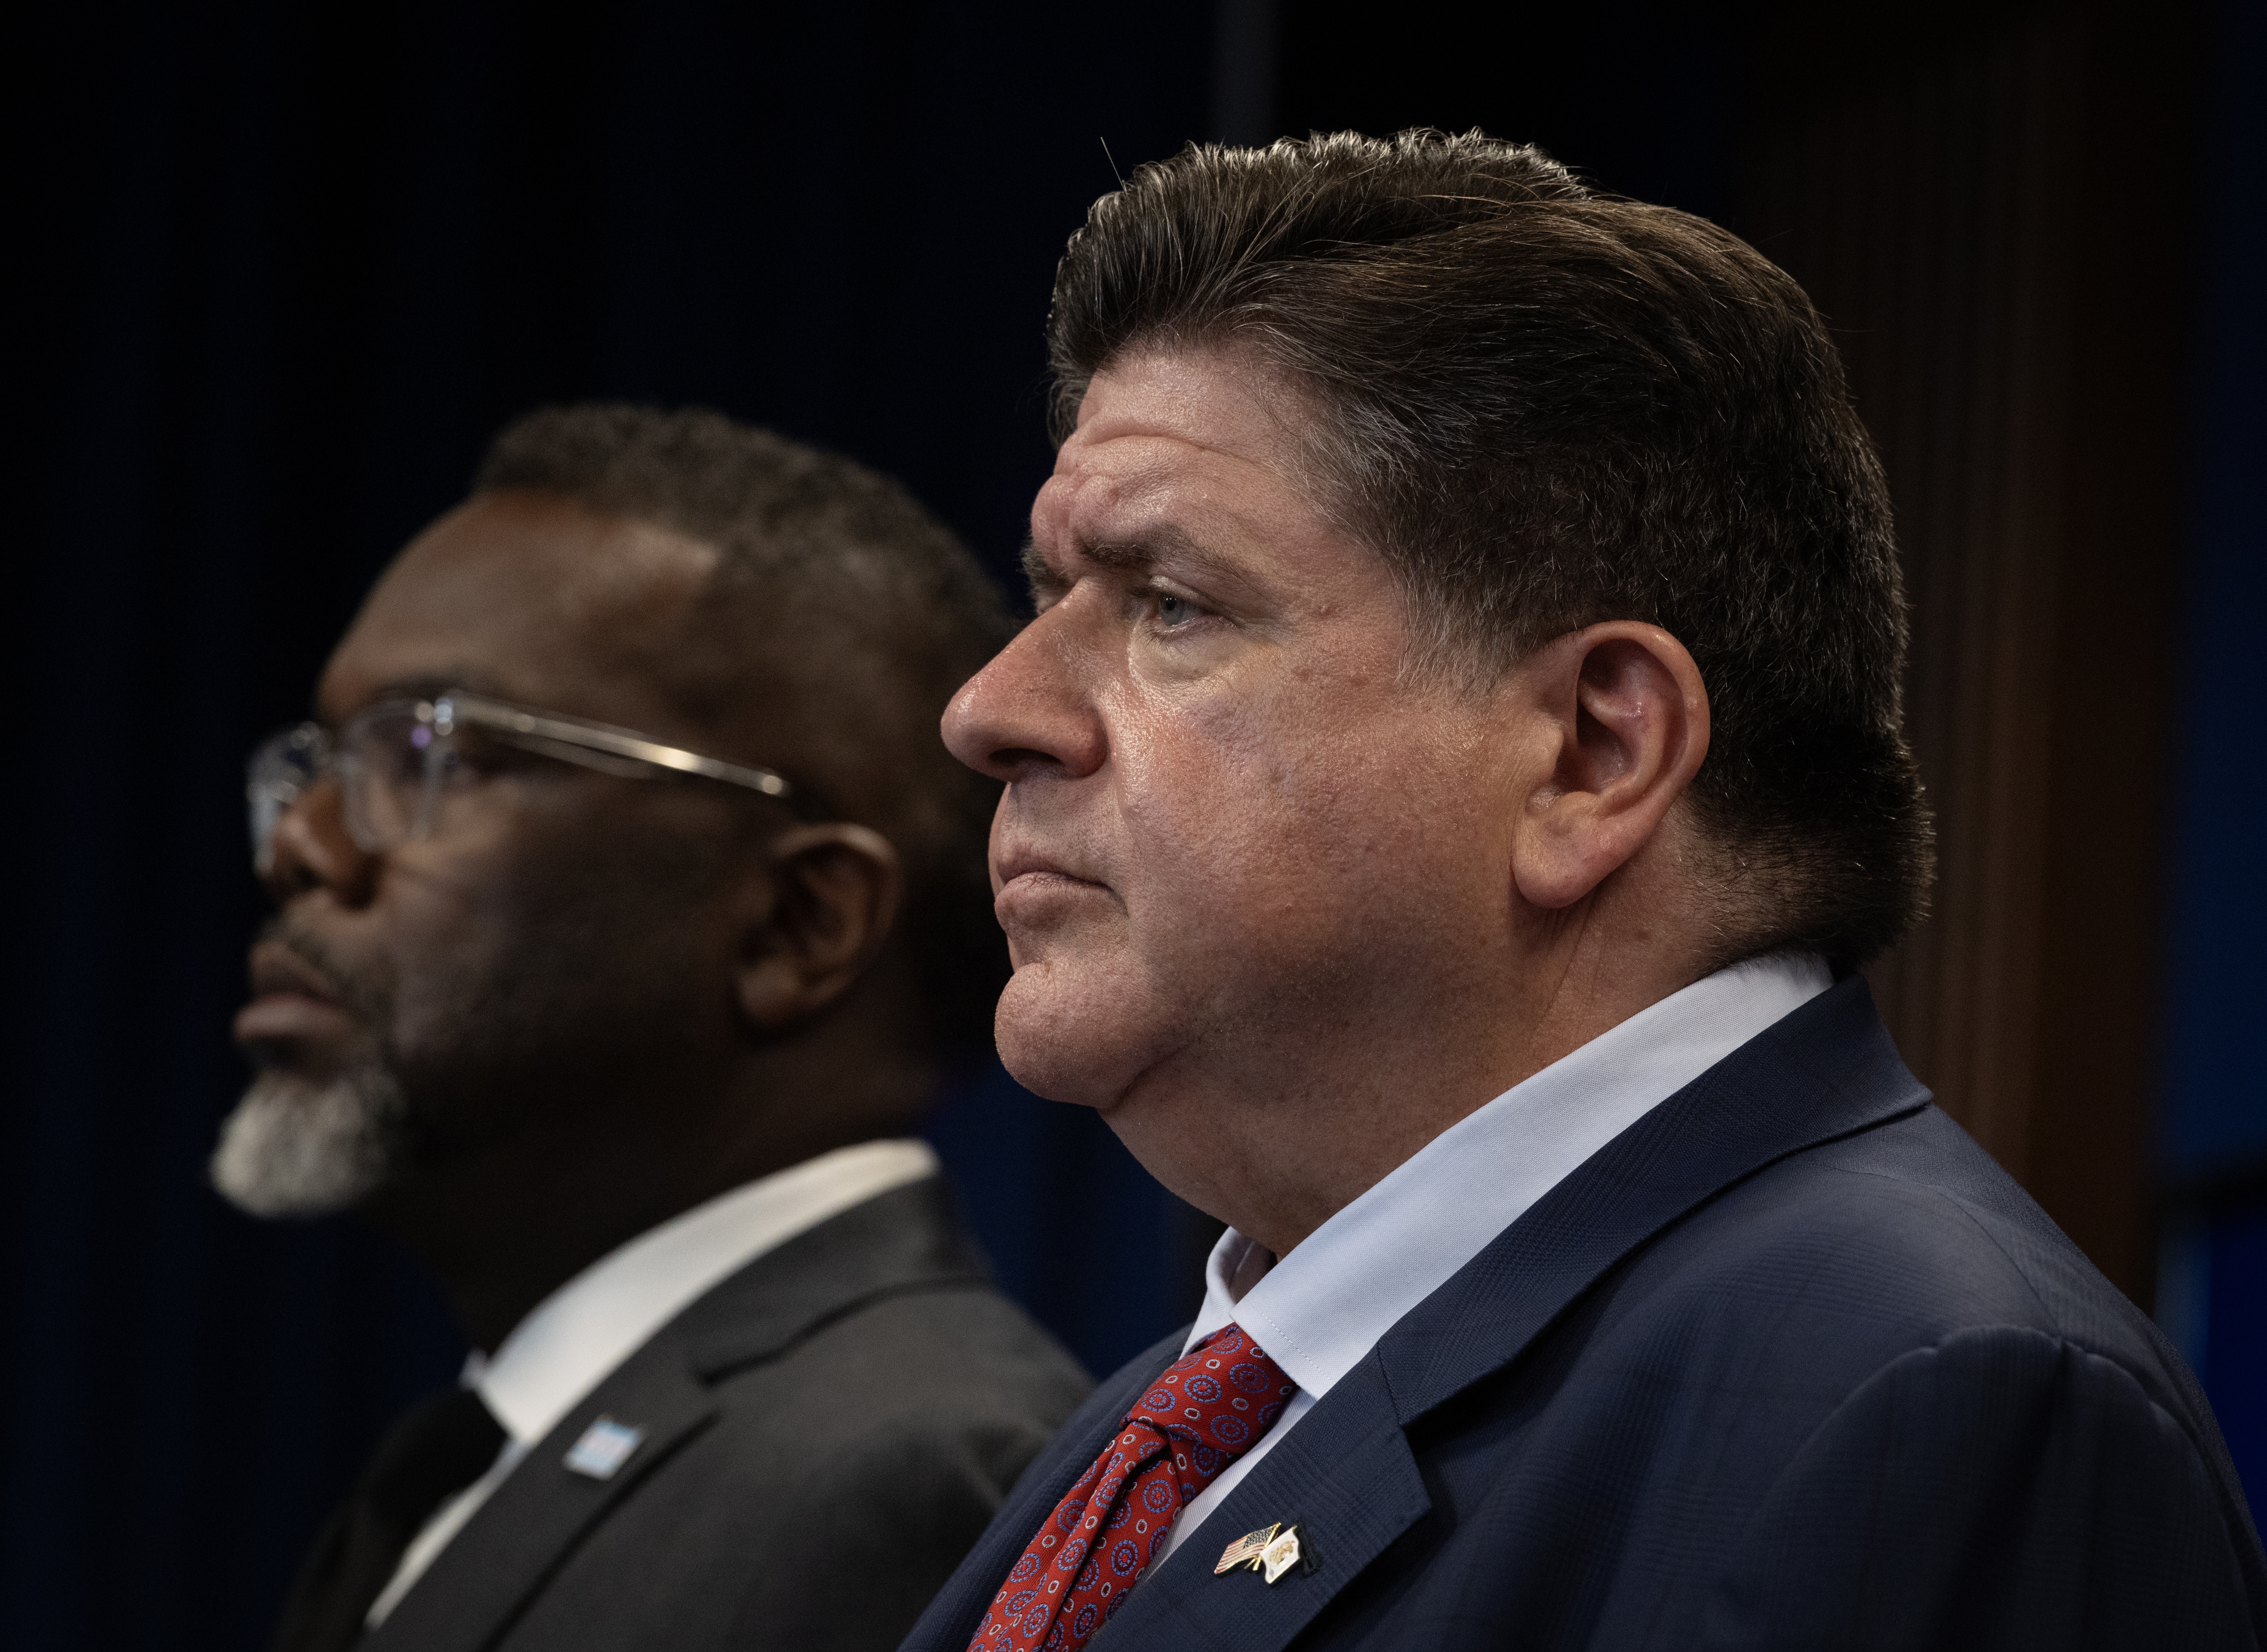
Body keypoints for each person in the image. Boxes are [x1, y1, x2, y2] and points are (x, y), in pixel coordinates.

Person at [899, 130, 2267, 1652]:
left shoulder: (1919, 1397)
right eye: (1049, 596)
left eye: (1172, 604)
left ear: (1591, 758)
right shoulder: (1164, 1428)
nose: (991, 707)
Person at [216, 404, 1088, 1652]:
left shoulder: (920, 1482)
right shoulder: (477, 1457)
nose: (305, 844)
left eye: (431, 753)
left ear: (798, 922)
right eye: (316, 767)